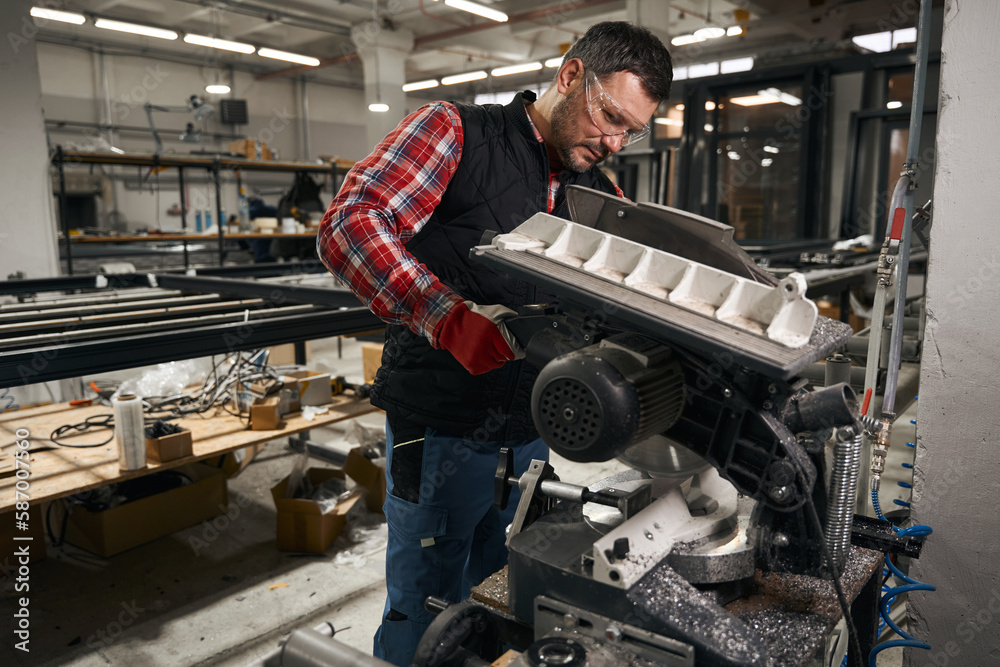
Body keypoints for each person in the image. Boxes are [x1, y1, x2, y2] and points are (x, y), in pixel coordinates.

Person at [317, 21, 672, 666]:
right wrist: (448, 318)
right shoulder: (455, 133)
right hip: (442, 425)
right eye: (610, 118)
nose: (615, 142)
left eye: (632, 132)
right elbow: (350, 227)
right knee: (426, 611)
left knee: (501, 597)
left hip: (534, 436)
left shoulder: (601, 194)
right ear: (570, 76)